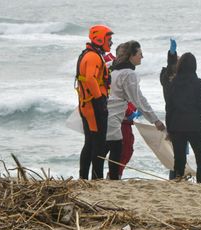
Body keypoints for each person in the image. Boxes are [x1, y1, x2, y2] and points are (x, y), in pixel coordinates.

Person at [105, 40, 166, 180]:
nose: (142, 57)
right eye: (140, 54)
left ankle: (102, 178)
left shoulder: (112, 69)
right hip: (116, 117)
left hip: (107, 114)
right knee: (121, 149)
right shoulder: (128, 74)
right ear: (131, 55)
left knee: (104, 148)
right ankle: (114, 178)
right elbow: (139, 100)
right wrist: (155, 120)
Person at [166, 52, 201, 184]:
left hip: (177, 126)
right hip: (195, 126)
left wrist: (169, 129)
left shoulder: (173, 84)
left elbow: (169, 108)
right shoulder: (200, 84)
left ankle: (179, 181)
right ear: (194, 66)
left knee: (179, 159)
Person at [76, 25, 113, 180]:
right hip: (93, 105)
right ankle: (96, 178)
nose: (111, 43)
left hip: (87, 104)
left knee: (90, 142)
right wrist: (99, 100)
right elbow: (91, 78)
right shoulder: (92, 57)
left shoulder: (90, 54)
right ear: (100, 39)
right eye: (109, 40)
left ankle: (84, 177)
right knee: (98, 143)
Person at [160, 38, 179, 180]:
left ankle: (176, 176)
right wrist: (172, 55)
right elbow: (170, 67)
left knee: (178, 152)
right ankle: (175, 177)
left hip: (174, 119)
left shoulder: (172, 80)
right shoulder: (169, 80)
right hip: (175, 119)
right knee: (178, 153)